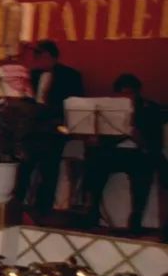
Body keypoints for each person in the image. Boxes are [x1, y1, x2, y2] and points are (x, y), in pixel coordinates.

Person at [83, 73, 163, 233]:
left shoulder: (149, 108)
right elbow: (100, 136)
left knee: (143, 171)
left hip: (138, 153)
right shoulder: (108, 109)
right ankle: (92, 212)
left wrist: (138, 137)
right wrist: (96, 139)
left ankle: (136, 218)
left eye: (129, 93)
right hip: (113, 151)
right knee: (94, 161)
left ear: (137, 93)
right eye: (121, 93)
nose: (126, 97)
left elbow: (155, 142)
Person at [15, 39, 83, 221]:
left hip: (53, 129)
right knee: (23, 169)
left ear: (53, 57)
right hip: (31, 128)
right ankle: (16, 206)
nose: (40, 60)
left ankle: (42, 210)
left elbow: (74, 104)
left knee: (49, 171)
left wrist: (49, 114)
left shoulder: (70, 76)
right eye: (38, 56)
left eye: (44, 56)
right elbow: (24, 100)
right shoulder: (32, 75)